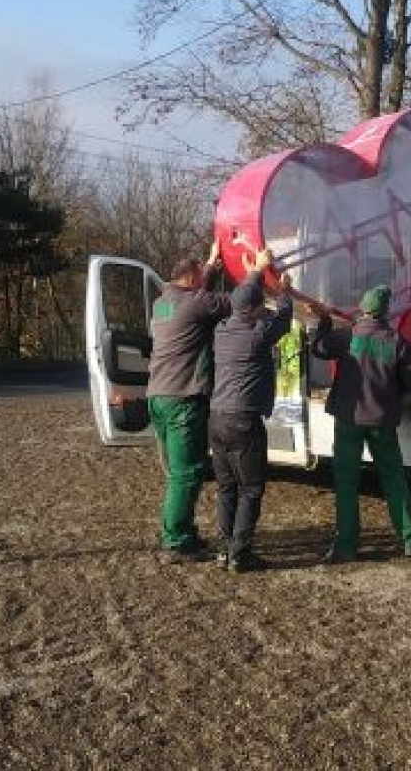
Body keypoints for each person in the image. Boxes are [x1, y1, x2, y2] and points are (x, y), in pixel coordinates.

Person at [307, 285, 411, 563]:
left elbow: (318, 348)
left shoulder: (346, 336)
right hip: (382, 420)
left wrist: (323, 322)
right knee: (394, 478)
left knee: (347, 481)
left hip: (348, 418)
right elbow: (409, 382)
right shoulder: (397, 342)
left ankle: (346, 546)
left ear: (362, 308)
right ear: (385, 311)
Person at [147, 240, 233, 563]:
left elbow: (195, 297)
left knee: (176, 472)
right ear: (193, 279)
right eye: (201, 277)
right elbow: (234, 302)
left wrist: (209, 265)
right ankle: (177, 540)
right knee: (187, 473)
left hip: (158, 396)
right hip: (183, 399)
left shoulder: (161, 304)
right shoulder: (198, 304)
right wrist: (254, 273)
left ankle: (175, 527)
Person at [207, 263, 294, 573]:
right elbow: (283, 319)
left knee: (227, 488)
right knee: (252, 488)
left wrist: (256, 272)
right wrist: (284, 290)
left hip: (216, 419)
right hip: (243, 420)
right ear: (257, 308)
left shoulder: (221, 330)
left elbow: (247, 303)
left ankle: (223, 550)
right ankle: (240, 555)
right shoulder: (258, 333)